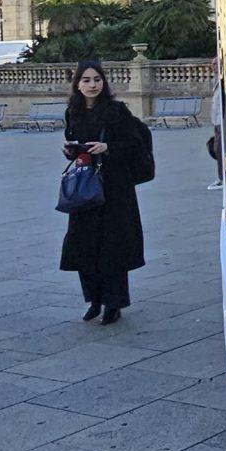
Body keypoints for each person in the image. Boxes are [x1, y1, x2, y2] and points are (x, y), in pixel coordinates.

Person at [61, 60, 151, 324]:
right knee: (85, 245)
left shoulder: (116, 110)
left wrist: (108, 147)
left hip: (114, 187)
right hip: (85, 186)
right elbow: (73, 141)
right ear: (77, 84)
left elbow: (134, 145)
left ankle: (114, 302)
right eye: (86, 80)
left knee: (113, 246)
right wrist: (70, 150)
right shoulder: (73, 112)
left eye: (97, 80)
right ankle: (94, 299)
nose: (92, 85)